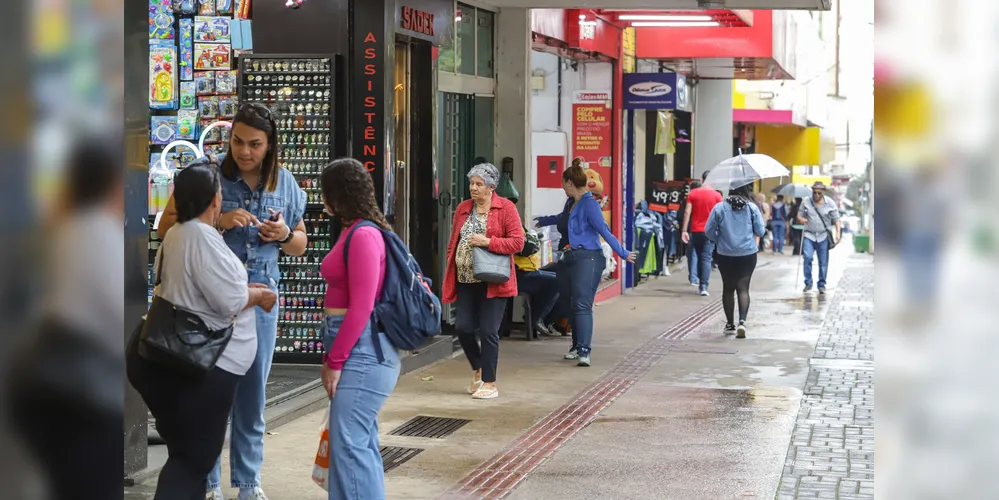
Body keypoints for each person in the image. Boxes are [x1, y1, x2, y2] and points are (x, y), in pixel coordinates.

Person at [158, 103, 308, 500]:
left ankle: (248, 482)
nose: (244, 151)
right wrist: (218, 221)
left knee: (253, 395)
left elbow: (300, 244)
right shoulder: (207, 178)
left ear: (270, 144)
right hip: (209, 301)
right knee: (209, 394)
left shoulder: (286, 183)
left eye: (254, 144)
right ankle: (208, 483)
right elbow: (165, 225)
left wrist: (282, 235)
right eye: (238, 141)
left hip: (259, 300)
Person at [128, 164, 278, 500]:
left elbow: (195, 290)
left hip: (165, 358)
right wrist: (259, 295)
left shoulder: (177, 234)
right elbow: (229, 300)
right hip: (200, 366)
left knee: (186, 458)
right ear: (215, 200)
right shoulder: (200, 236)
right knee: (192, 462)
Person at [6, 139, 125, 500]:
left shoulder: (63, 230)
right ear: (111, 182)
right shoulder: (100, 232)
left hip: (41, 377)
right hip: (78, 389)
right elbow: (114, 310)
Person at [317, 158, 401, 500]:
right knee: (355, 445)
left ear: (337, 194)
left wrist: (335, 361)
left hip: (364, 352)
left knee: (350, 446)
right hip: (357, 349)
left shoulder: (364, 235)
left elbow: (362, 307)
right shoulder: (355, 231)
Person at [442, 163, 524, 399]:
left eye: (479, 184)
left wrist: (489, 242)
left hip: (493, 280)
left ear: (491, 187)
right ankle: (479, 367)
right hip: (465, 279)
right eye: (472, 183)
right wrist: (452, 259)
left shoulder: (505, 208)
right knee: (463, 328)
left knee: (489, 331)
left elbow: (517, 242)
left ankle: (490, 382)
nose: (474, 188)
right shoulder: (463, 208)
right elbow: (454, 240)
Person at [561, 165, 636, 366]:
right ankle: (576, 346)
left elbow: (604, 230)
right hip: (574, 257)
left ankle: (585, 351)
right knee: (574, 304)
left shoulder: (590, 204)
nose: (563, 188)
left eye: (563, 183)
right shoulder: (572, 203)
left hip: (589, 258)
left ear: (569, 183)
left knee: (582, 305)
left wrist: (623, 253)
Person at [705, 184, 766, 339]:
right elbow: (760, 231)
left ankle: (730, 324)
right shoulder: (752, 208)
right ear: (745, 190)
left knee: (728, 288)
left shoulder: (719, 208)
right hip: (747, 253)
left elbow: (709, 231)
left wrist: (719, 239)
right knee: (743, 288)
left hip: (725, 254)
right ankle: (742, 322)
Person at [534, 183, 577, 334]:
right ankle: (546, 319)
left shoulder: (584, 205)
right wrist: (546, 220)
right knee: (558, 282)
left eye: (566, 186)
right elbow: (563, 218)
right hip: (565, 252)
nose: (564, 190)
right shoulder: (570, 202)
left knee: (567, 289)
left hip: (576, 254)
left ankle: (548, 319)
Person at [681, 171, 723, 296]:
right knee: (706, 258)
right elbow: (720, 214)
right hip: (710, 232)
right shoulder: (717, 196)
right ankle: (704, 285)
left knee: (699, 257)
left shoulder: (693, 193)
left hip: (695, 231)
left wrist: (684, 230)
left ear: (702, 179)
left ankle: (701, 281)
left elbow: (687, 212)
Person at [798, 182, 841, 294]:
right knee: (807, 257)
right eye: (814, 192)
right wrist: (801, 220)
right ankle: (808, 283)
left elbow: (836, 219)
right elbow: (799, 215)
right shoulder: (806, 201)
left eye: (819, 193)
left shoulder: (830, 203)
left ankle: (821, 284)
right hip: (809, 234)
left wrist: (838, 233)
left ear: (823, 192)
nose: (816, 195)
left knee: (823, 262)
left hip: (823, 235)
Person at [683, 180, 702, 286]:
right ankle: (703, 279)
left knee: (692, 254)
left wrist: (683, 229)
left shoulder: (689, 199)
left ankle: (693, 278)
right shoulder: (706, 198)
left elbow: (684, 213)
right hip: (705, 229)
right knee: (705, 255)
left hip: (692, 229)